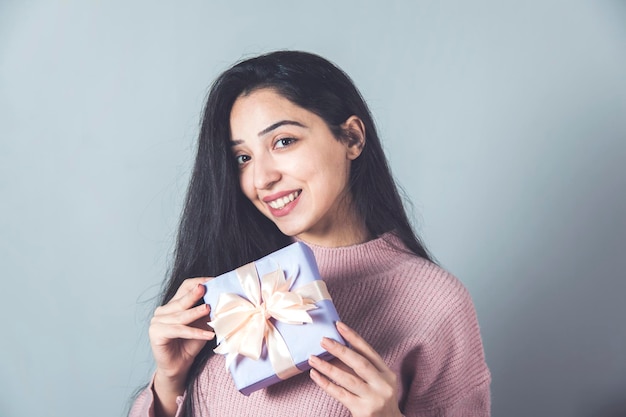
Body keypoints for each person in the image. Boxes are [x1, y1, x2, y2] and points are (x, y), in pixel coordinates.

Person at [130, 50, 491, 417]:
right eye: (243, 158)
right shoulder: (232, 281)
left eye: (283, 141)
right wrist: (169, 382)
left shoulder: (435, 301)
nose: (261, 178)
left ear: (351, 138)